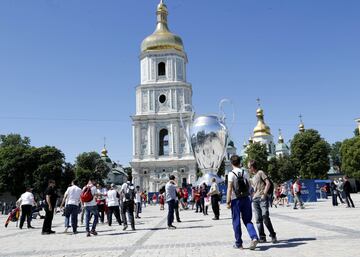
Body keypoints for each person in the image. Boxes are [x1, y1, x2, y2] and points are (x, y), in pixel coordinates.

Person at [227, 155, 259, 250]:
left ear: (231, 163)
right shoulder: (245, 172)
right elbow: (249, 186)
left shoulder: (231, 173)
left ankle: (239, 244)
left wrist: (228, 201)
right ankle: (254, 237)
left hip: (235, 200)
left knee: (236, 221)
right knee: (247, 220)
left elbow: (229, 189)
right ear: (240, 162)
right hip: (246, 199)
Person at [249, 160, 277, 244]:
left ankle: (273, 235)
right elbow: (255, 189)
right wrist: (252, 195)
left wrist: (264, 194)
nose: (248, 169)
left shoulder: (260, 172)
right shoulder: (253, 177)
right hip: (255, 199)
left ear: (252, 167)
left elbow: (268, 183)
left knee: (265, 217)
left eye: (249, 167)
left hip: (262, 198)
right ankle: (262, 237)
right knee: (258, 220)